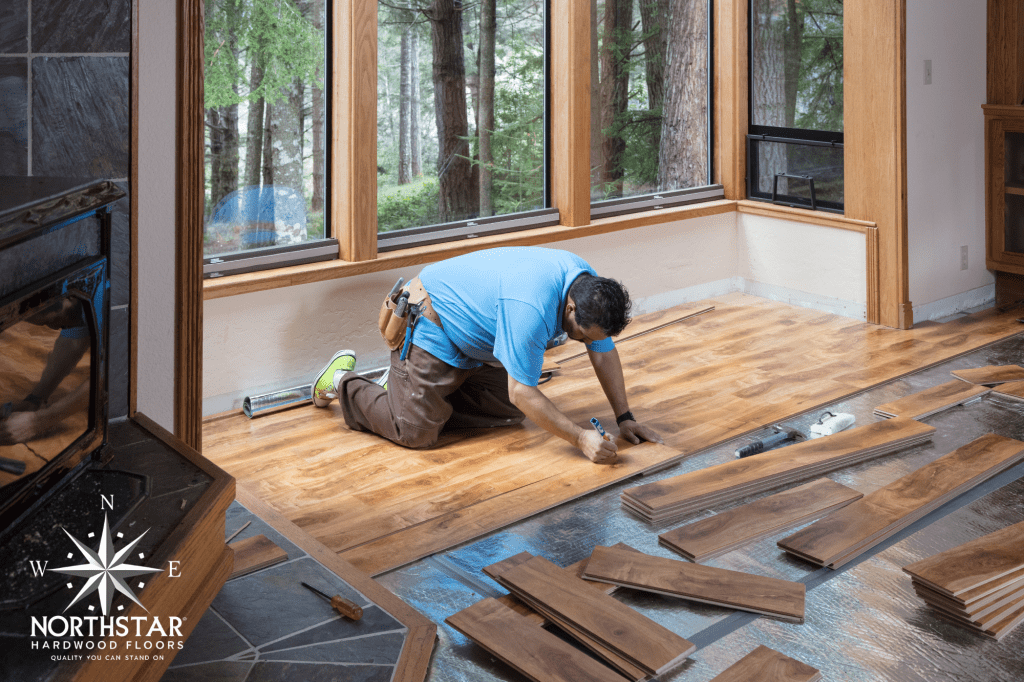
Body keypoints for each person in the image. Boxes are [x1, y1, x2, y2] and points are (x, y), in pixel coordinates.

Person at [312, 246, 663, 463]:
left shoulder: (589, 290)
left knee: (508, 414)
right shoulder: (532, 308)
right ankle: (343, 380)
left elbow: (603, 353)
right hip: (433, 322)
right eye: (582, 336)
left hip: (475, 341)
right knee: (415, 432)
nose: (585, 343)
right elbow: (522, 390)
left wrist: (625, 416)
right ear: (570, 308)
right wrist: (579, 438)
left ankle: (407, 389)